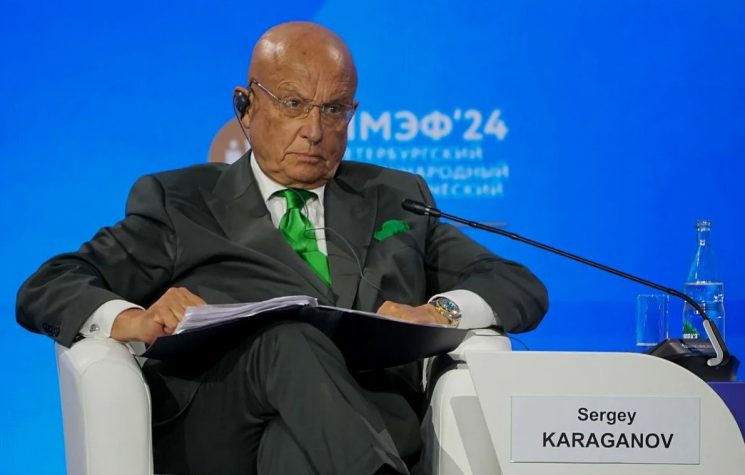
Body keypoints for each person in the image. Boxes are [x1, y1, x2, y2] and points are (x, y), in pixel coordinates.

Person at [16, 21, 548, 475]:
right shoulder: (180, 202)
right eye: (294, 104)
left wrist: (439, 310)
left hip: (367, 433)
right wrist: (130, 317)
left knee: (294, 450)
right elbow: (50, 284)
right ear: (245, 107)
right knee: (287, 338)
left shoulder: (396, 198)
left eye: (334, 110)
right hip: (221, 431)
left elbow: (517, 285)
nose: (314, 131)